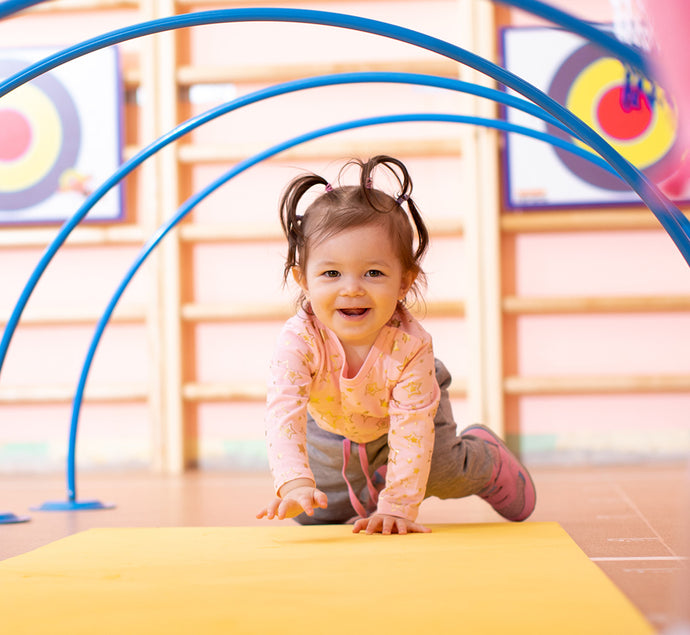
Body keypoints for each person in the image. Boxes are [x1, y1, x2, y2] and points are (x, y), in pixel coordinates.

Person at [256, 155, 536, 535]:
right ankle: (372, 481)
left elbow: (412, 429)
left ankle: (484, 460)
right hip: (332, 416)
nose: (351, 287)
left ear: (404, 282)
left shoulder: (410, 348)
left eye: (373, 273)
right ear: (302, 279)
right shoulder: (297, 342)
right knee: (314, 511)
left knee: (439, 472)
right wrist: (294, 481)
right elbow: (283, 412)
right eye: (331, 273)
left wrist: (397, 507)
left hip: (410, 408)